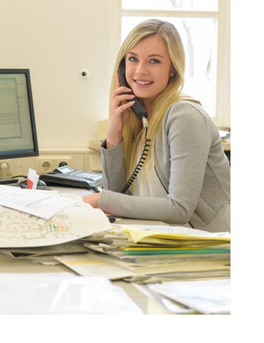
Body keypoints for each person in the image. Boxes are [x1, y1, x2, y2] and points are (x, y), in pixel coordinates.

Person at [83, 19, 230, 232]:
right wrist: (114, 134)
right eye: (133, 59)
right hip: (164, 239)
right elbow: (119, 198)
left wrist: (99, 199)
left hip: (211, 244)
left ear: (172, 69)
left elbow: (179, 209)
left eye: (154, 61)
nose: (140, 71)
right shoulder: (141, 121)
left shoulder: (184, 115)